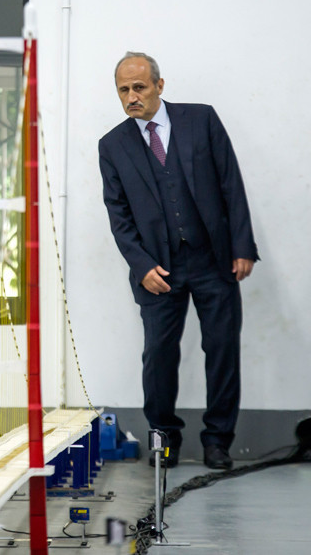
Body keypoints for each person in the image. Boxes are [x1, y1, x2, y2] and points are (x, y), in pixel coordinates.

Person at [98, 52, 258, 470]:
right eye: (124, 90)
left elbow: (231, 184)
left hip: (213, 260)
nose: (132, 97)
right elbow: (119, 215)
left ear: (159, 86)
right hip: (158, 269)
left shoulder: (201, 120)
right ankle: (164, 439)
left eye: (139, 87)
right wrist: (142, 266)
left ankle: (218, 441)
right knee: (159, 355)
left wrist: (242, 246)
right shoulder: (112, 145)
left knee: (222, 349)